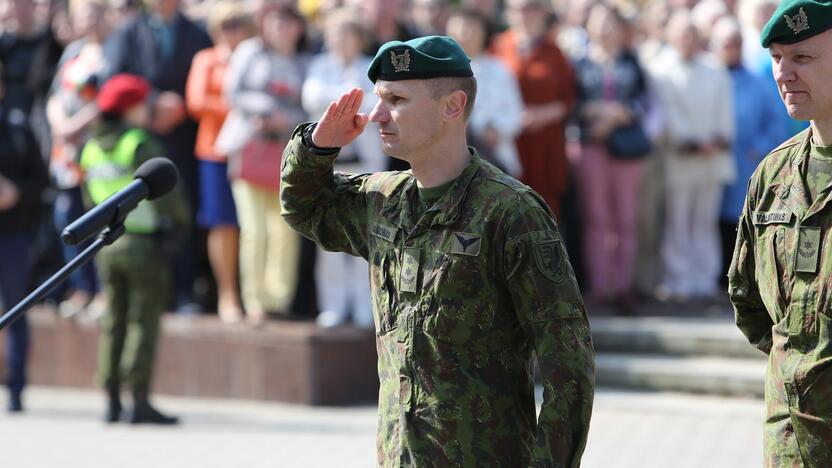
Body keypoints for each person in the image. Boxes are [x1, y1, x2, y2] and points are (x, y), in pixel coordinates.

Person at [281, 35, 594, 466]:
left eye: (397, 99)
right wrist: (317, 147)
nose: (376, 115)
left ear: (451, 106)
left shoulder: (509, 212)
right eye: (378, 98)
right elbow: (303, 206)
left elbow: (568, 368)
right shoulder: (384, 200)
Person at [729, 0, 832, 464]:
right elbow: (749, 303)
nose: (783, 73)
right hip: (789, 445)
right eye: (776, 58)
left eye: (802, 58)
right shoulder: (774, 175)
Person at [80, 74, 189, 424]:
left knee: (114, 321)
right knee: (142, 321)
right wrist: (181, 226)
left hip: (107, 244)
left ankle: (111, 398)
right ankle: (138, 400)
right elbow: (169, 196)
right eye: (144, 103)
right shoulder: (139, 142)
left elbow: (88, 200)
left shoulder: (92, 146)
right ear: (130, 108)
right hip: (144, 244)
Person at [101, 0, 213, 314]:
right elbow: (113, 79)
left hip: (183, 139)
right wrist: (151, 103)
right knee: (141, 213)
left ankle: (183, 290)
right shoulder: (127, 32)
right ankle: (144, 294)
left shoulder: (197, 33)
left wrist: (180, 107)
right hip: (138, 143)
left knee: (181, 211)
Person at [220, 4, 308, 325]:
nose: (281, 29)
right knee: (254, 230)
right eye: (275, 23)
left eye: (287, 23)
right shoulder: (249, 52)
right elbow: (232, 92)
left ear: (298, 28)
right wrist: (266, 109)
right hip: (250, 149)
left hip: (288, 154)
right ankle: (254, 301)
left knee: (286, 229)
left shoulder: (305, 61)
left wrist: (287, 118)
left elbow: (312, 106)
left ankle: (278, 300)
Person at [301, 7, 385, 329]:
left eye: (347, 34)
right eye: (335, 34)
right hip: (331, 163)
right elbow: (312, 99)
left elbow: (374, 103)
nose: (341, 40)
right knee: (330, 236)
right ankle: (333, 305)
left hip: (366, 163)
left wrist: (340, 102)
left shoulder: (370, 67)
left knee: (365, 235)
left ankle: (365, 306)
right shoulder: (319, 65)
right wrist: (348, 100)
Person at [649, 10, 735, 302]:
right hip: (680, 159)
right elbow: (666, 114)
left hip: (712, 159)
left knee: (704, 220)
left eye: (691, 33)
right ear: (672, 36)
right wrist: (693, 142)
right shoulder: (660, 69)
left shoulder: (715, 68)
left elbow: (725, 110)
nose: (687, 39)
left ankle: (704, 279)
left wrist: (717, 138)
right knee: (678, 221)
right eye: (682, 33)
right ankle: (678, 279)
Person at [572, 3, 651, 313]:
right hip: (590, 146)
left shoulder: (632, 62)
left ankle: (623, 286)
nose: (604, 28)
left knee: (626, 218)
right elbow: (573, 103)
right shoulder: (578, 64)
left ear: (620, 28)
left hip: (626, 148)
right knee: (596, 218)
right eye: (598, 22)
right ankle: (599, 285)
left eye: (610, 22)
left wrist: (619, 115)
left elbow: (646, 102)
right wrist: (595, 114)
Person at [185, 0, 251, 324]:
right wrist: (242, 105)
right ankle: (228, 293)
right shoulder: (207, 59)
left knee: (253, 224)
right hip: (215, 150)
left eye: (238, 23)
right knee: (222, 223)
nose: (232, 31)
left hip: (251, 150)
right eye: (226, 24)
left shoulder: (254, 58)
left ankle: (252, 294)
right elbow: (196, 101)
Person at [711, 16, 788, 287]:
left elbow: (775, 123)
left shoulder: (757, 82)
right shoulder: (710, 78)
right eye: (725, 43)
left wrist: (758, 149)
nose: (731, 48)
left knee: (742, 221)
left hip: (747, 165)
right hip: (712, 162)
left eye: (735, 43)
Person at [46, 0, 109, 320]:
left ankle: (102, 290)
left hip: (99, 150)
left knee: (96, 217)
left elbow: (109, 98)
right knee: (66, 216)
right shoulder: (72, 52)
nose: (91, 22)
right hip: (67, 151)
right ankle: (80, 286)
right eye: (85, 16)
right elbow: (55, 95)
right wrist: (60, 124)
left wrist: (76, 125)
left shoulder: (114, 51)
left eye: (97, 14)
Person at [491, 0, 576, 219]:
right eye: (517, 9)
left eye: (529, 8)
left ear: (541, 12)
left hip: (545, 143)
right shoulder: (498, 47)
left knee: (544, 212)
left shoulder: (555, 52)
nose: (523, 15)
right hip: (508, 144)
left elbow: (568, 99)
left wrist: (543, 114)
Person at [0, 59, 49, 413]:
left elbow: (42, 184)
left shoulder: (18, 130)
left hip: (13, 234)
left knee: (16, 308)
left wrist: (15, 192)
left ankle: (16, 389)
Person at [445, 8, 524, 178]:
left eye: (471, 28)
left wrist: (497, 129)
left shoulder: (499, 69)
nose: (465, 34)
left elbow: (515, 112)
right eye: (459, 28)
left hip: (497, 158)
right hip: (452, 162)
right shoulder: (440, 72)